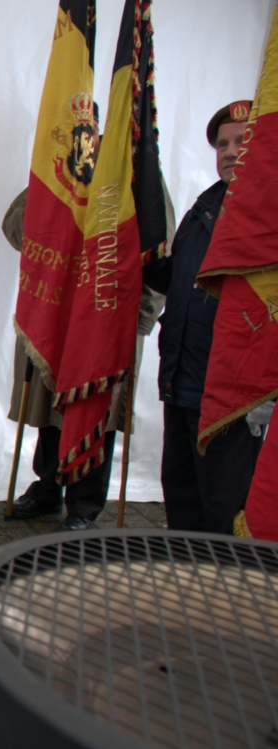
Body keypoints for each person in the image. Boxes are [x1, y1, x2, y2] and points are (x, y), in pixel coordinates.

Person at [2, 102, 165, 530]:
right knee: (52, 405)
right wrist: (54, 220)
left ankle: (84, 505)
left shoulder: (137, 174)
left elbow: (158, 256)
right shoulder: (59, 171)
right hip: (56, 312)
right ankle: (49, 486)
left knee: (94, 407)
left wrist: (140, 323)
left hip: (107, 320)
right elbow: (12, 224)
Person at [145, 101, 263, 533]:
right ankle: (187, 585)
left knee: (226, 505)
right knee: (181, 493)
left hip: (232, 393)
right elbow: (176, 278)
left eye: (242, 141)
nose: (229, 151)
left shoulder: (267, 216)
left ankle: (231, 593)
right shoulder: (205, 207)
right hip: (183, 382)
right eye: (222, 144)